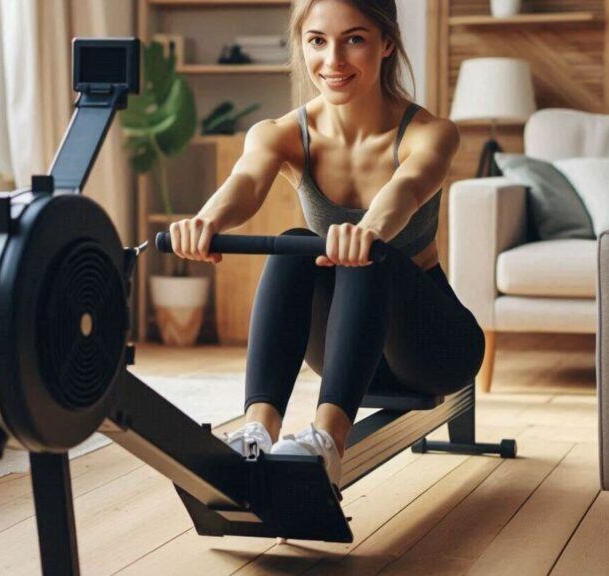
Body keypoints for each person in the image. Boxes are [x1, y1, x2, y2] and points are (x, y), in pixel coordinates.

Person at [167, 0, 485, 488]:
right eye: (317, 41)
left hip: (431, 350)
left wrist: (369, 232)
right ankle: (256, 431)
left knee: (368, 255)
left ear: (387, 44)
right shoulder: (281, 134)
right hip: (343, 348)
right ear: (302, 45)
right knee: (295, 243)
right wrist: (205, 220)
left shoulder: (430, 133)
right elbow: (246, 183)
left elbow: (407, 190)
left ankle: (327, 444)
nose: (332, 60)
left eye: (353, 39)